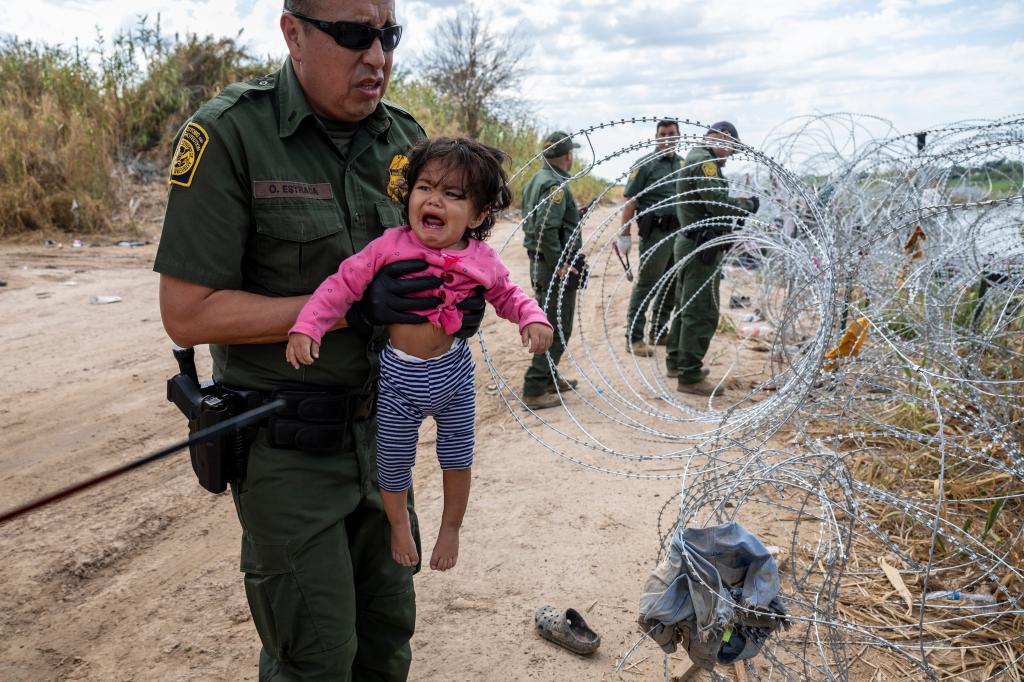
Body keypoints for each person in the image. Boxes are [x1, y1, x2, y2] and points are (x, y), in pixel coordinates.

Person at [154, 1, 486, 678]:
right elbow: (188, 313)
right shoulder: (230, 136)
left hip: (381, 438)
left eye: (388, 35)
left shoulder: (406, 143)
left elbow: (437, 256)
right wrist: (346, 308)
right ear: (293, 33)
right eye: (354, 35)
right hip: (288, 452)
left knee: (386, 638)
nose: (377, 57)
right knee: (316, 655)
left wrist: (456, 300)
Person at [285, 136, 553, 571]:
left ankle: (451, 526)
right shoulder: (389, 246)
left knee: (457, 457)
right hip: (397, 379)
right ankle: (397, 525)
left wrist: (532, 318)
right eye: (425, 187)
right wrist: (308, 325)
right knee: (391, 464)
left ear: (478, 214)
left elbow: (510, 295)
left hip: (454, 377)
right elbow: (341, 285)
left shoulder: (482, 258)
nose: (435, 200)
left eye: (453, 195)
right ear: (409, 195)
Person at [667, 121, 759, 397]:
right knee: (701, 310)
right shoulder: (704, 161)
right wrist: (748, 205)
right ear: (723, 137)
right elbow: (715, 202)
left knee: (686, 305)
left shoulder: (699, 158)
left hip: (692, 242)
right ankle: (690, 375)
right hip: (700, 246)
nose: (731, 155)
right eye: (732, 148)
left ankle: (677, 361)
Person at [520, 131, 584, 410]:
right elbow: (547, 228)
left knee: (551, 318)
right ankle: (535, 386)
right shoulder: (555, 185)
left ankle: (549, 376)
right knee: (558, 324)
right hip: (553, 263)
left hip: (542, 261)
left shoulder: (536, 180)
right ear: (568, 156)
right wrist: (561, 265)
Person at [616, 119, 683, 356]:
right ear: (656, 137)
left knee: (672, 284)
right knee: (647, 284)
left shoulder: (683, 164)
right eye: (662, 134)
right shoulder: (645, 164)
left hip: (678, 233)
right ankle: (633, 337)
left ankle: (659, 330)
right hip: (655, 233)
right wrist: (624, 234)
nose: (667, 138)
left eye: (671, 134)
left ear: (679, 136)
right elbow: (630, 200)